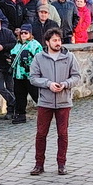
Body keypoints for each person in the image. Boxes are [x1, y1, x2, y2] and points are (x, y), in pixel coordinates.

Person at [28, 28, 79, 176]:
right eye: (54, 40)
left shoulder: (69, 57)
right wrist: (48, 83)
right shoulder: (39, 57)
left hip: (64, 102)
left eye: (59, 40)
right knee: (41, 134)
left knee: (63, 134)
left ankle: (61, 164)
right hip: (45, 102)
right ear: (47, 42)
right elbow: (33, 78)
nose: (58, 43)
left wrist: (65, 84)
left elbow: (76, 76)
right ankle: (39, 164)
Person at [8, 23, 42, 125]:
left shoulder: (35, 45)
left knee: (36, 94)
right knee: (19, 95)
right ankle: (20, 114)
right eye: (22, 32)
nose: (23, 34)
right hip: (18, 75)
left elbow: (39, 60)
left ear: (30, 33)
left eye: (26, 33)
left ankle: (45, 112)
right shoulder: (17, 44)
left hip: (30, 75)